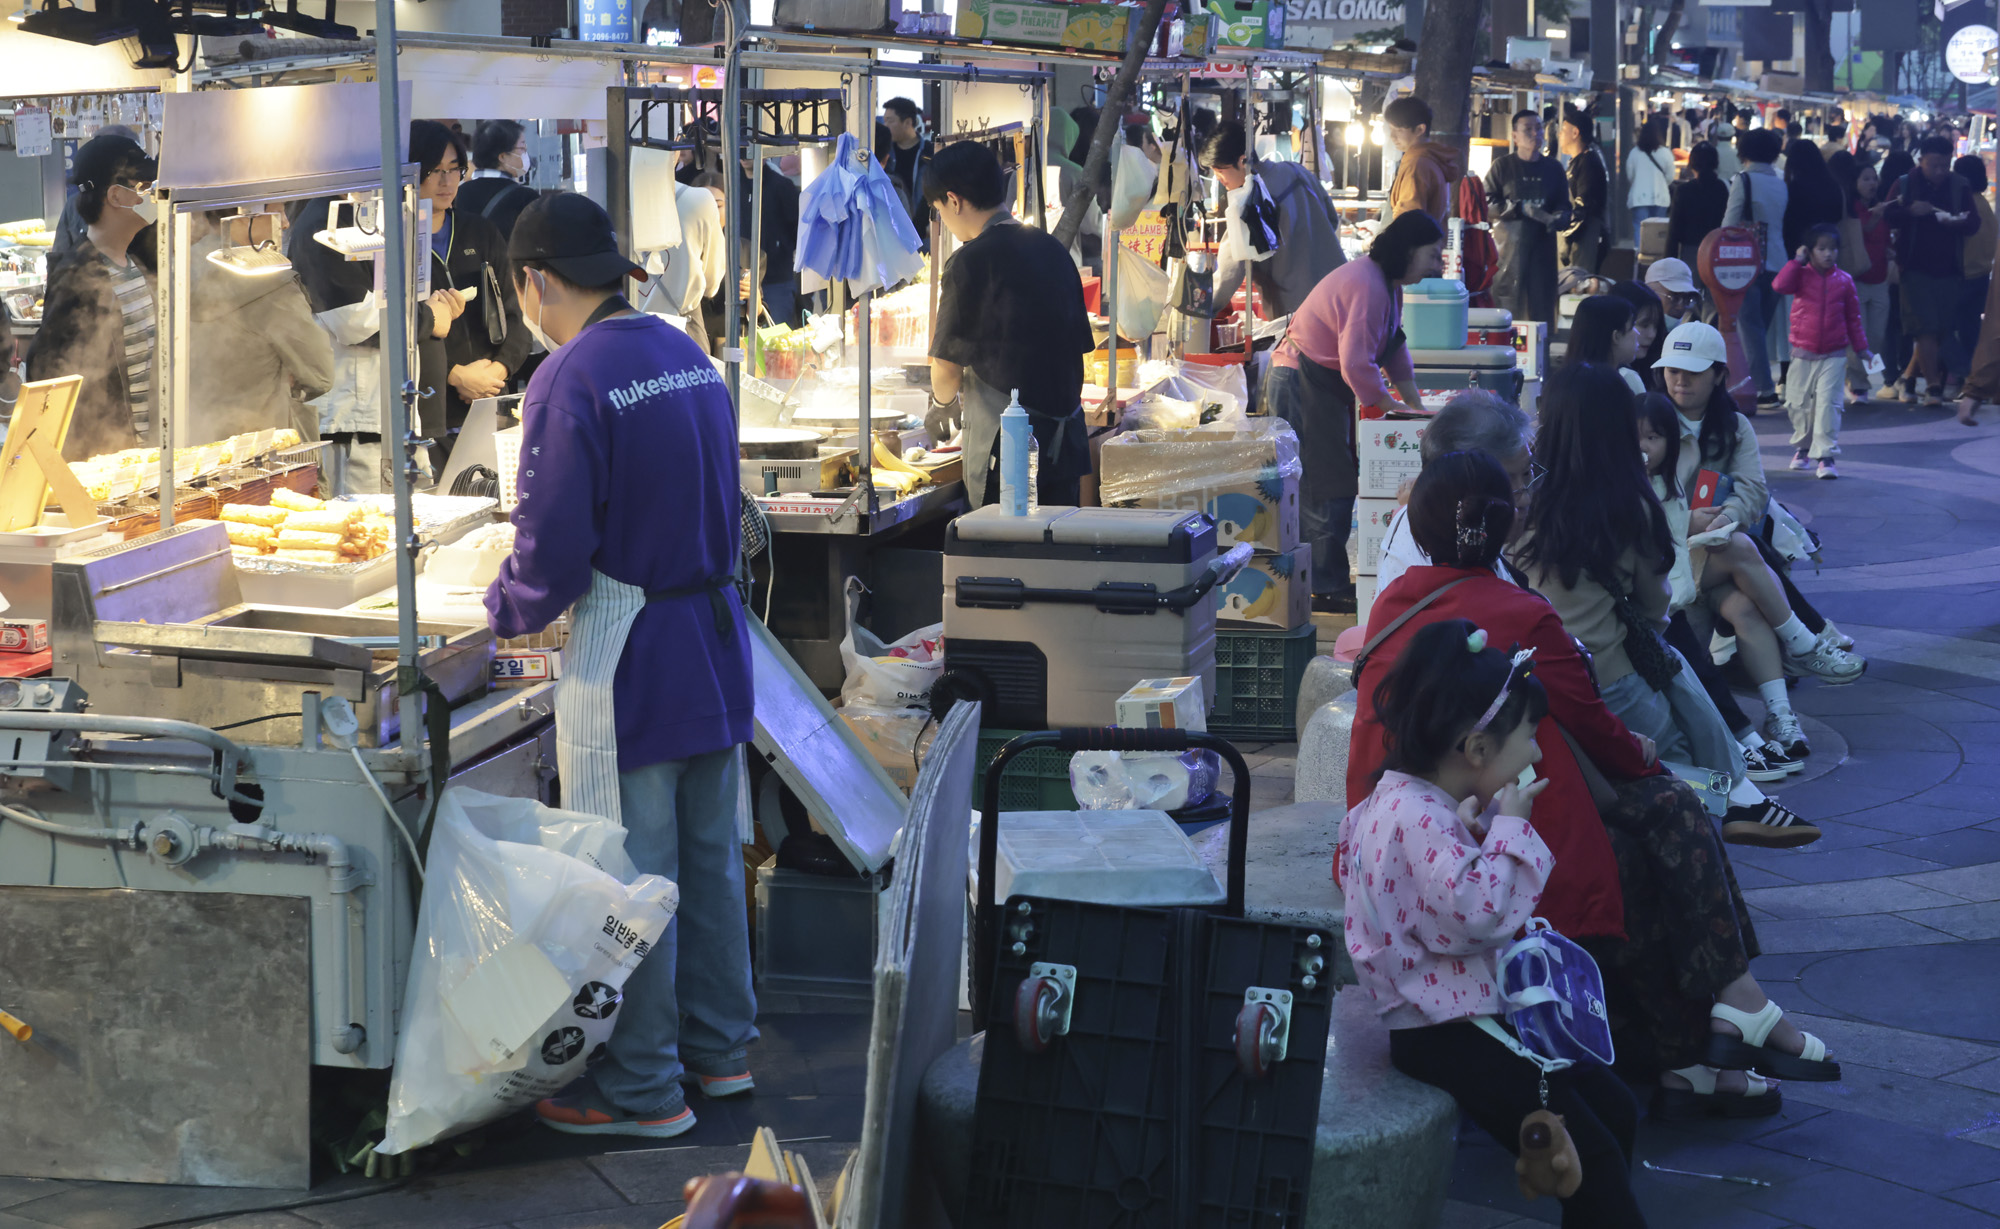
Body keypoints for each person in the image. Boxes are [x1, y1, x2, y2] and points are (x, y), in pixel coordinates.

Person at [1360, 454, 1834, 1117]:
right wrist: (1644, 760)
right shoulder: (1517, 608)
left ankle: (1711, 1038)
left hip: (1399, 826)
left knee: (1658, 830)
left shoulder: (1393, 602)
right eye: (1519, 488)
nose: (1528, 495)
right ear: (1504, 521)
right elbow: (1588, 718)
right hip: (1471, 826)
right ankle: (1720, 1023)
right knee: (1665, 817)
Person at [485, 193, 755, 1140]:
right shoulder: (687, 353)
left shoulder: (569, 378)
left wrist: (500, 612)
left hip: (635, 652)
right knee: (711, 864)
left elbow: (550, 551)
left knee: (634, 883)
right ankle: (722, 1052)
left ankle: (644, 1088)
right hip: (715, 642)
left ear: (536, 280)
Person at [1341, 616, 1648, 1225]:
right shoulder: (1419, 817)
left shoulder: (1400, 801)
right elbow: (1480, 916)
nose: (1535, 751)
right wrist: (1510, 827)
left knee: (1612, 1112)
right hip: (1448, 1028)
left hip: (1453, 1016)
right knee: (1594, 1160)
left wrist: (1479, 830)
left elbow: (1434, 901)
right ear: (1478, 750)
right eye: (1529, 735)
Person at [1262, 209, 1443, 613]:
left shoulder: (1387, 284)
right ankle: (1323, 585)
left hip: (1321, 384)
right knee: (1326, 485)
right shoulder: (1369, 285)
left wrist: (1415, 408)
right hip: (1301, 379)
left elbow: (1392, 349)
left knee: (1334, 478)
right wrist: (1390, 406)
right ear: (1410, 250)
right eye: (1433, 254)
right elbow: (1357, 363)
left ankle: (1325, 579)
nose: (1437, 265)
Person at [926, 141, 1093, 510]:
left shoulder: (969, 261)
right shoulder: (1052, 250)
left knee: (1006, 560)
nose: (944, 221)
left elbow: (947, 366)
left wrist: (941, 405)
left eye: (939, 210)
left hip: (1009, 450)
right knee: (1053, 552)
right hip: (1063, 447)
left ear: (953, 200)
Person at [25, 132, 157, 460]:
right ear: (116, 195)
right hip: (110, 457)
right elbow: (50, 374)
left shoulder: (137, 261)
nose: (155, 196)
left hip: (149, 454)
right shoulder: (77, 277)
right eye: (145, 187)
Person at [411, 120, 530, 445]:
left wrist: (498, 371)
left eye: (454, 169)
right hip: (429, 411)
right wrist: (456, 375)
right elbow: (395, 329)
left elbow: (517, 314)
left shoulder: (481, 232)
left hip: (491, 400)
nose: (446, 181)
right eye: (434, 170)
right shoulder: (395, 243)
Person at [186, 211, 334, 446]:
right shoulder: (274, 285)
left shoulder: (177, 268)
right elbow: (320, 376)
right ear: (246, 214)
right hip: (261, 444)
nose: (285, 223)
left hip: (191, 440)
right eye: (277, 213)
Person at [1374, 391, 1535, 590]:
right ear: (1454, 482)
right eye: (1507, 480)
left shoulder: (1459, 533)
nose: (1525, 498)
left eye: (1527, 473)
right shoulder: (1430, 563)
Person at [1200, 121, 1346, 319]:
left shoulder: (1250, 200)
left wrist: (1199, 308)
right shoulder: (1297, 171)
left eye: (1220, 170)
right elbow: (1331, 219)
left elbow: (1230, 272)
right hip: (1340, 291)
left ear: (1243, 161)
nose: (1218, 178)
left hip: (1298, 310)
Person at [1882, 135, 1978, 408]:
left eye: (1944, 165)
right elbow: (1886, 216)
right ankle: (1934, 387)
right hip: (1913, 267)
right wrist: (1911, 211)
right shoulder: (1904, 184)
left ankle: (1909, 378)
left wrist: (1956, 222)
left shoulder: (1959, 186)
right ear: (1920, 160)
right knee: (1924, 327)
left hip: (1949, 268)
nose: (1939, 171)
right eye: (1933, 164)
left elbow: (1974, 224)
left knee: (1940, 329)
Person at [1773, 224, 1871, 479]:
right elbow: (1780, 285)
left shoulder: (1845, 281)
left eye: (1833, 249)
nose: (1828, 254)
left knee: (1829, 404)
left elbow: (1854, 319)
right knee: (1797, 404)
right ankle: (1802, 449)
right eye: (1821, 248)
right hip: (1802, 353)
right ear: (1810, 251)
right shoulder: (1800, 276)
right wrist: (1796, 260)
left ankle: (1826, 456)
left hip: (1834, 355)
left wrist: (1862, 349)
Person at [1721, 128, 1789, 411]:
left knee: (1750, 327)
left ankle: (1764, 389)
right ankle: (1753, 384)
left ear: (1744, 152)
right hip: (1778, 262)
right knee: (1759, 326)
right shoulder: (1782, 182)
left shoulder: (1743, 180)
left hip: (1746, 263)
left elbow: (1729, 223)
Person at [1485, 109, 1569, 325]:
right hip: (1509, 253)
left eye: (1539, 128)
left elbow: (1564, 206)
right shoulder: (1502, 167)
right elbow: (1486, 204)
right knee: (1507, 309)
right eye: (1528, 129)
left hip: (1543, 251)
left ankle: (1540, 354)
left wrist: (1558, 217)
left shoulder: (1554, 168)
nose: (1535, 134)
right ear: (1514, 136)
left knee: (1542, 310)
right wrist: (1518, 209)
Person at [638, 176, 727, 353]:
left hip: (624, 329)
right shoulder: (699, 200)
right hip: (681, 327)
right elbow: (711, 284)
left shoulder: (604, 193)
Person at [1835, 158, 1893, 399]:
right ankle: (1859, 385)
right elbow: (1864, 231)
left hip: (1880, 278)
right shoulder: (1853, 208)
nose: (1871, 183)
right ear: (1855, 183)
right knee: (1857, 336)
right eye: (1865, 178)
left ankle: (1863, 377)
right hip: (1857, 278)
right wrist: (1877, 217)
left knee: (1876, 336)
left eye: (1873, 178)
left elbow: (1883, 238)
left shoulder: (1879, 206)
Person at [1946, 154, 1995, 403]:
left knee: (1942, 329)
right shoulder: (1985, 205)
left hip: (1962, 276)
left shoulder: (1965, 206)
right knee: (1971, 332)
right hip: (1981, 276)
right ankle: (1975, 382)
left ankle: (1966, 375)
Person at [739, 153, 802, 327]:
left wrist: (780, 247)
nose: (745, 156)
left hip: (776, 277)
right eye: (742, 150)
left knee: (777, 336)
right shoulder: (732, 186)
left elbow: (797, 227)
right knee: (742, 339)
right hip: (742, 277)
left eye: (752, 151)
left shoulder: (782, 186)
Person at [1383, 95, 1461, 228]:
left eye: (1399, 130)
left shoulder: (1418, 164)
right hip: (1428, 244)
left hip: (1412, 246)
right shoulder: (1430, 159)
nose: (1392, 136)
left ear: (1420, 129)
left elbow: (1408, 217)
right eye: (1391, 130)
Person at [455, 119, 538, 239]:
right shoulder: (525, 198)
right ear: (503, 157)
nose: (525, 154)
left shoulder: (457, 194)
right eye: (522, 148)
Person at [1557, 107, 1609, 275]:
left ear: (1575, 133)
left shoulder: (1588, 163)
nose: (1560, 135)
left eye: (1564, 130)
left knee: (1578, 287)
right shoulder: (1578, 161)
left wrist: (1567, 236)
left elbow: (1583, 207)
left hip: (1584, 239)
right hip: (1577, 238)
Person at [1781, 140, 1844, 267]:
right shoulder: (1832, 184)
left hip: (1800, 249)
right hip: (1828, 246)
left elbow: (1790, 223)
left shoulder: (1795, 187)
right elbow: (1838, 215)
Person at [1666, 141, 1728, 271]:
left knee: (1692, 288)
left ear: (1692, 164)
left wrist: (1669, 258)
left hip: (1691, 249)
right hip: (1717, 248)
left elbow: (1674, 229)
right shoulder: (1722, 188)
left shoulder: (1684, 190)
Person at [1564, 294, 1644, 394]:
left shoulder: (1562, 383)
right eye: (1632, 327)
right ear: (1616, 336)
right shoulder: (1617, 388)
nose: (1637, 333)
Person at [878, 97, 933, 239]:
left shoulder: (929, 153)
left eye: (890, 120)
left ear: (908, 122)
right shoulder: (884, 153)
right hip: (893, 235)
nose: (886, 125)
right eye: (885, 120)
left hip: (925, 234)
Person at [1626, 114, 1674, 249]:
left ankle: (1639, 257)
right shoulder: (1665, 153)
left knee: (1639, 228)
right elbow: (1670, 176)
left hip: (1639, 197)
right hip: (1660, 196)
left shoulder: (1634, 153)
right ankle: (1655, 256)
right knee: (1658, 230)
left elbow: (1630, 175)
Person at [1606, 280, 1667, 386]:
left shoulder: (1656, 371)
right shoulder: (1625, 377)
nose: (1652, 335)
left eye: (1656, 326)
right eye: (1644, 325)